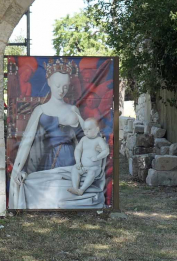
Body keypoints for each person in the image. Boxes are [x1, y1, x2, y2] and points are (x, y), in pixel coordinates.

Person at [8, 57, 107, 209]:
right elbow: (27, 142)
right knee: (46, 191)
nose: (61, 90)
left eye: (65, 87)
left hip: (73, 159)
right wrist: (18, 169)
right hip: (50, 161)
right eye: (58, 85)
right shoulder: (40, 110)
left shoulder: (73, 110)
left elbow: (86, 137)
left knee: (78, 186)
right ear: (49, 83)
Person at [68, 118, 109, 196]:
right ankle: (75, 188)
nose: (86, 132)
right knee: (74, 169)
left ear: (97, 130)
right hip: (83, 167)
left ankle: (82, 189)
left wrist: (97, 157)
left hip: (94, 168)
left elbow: (106, 151)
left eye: (89, 129)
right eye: (84, 130)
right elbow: (78, 150)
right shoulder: (83, 139)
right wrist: (78, 161)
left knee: (91, 173)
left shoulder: (99, 140)